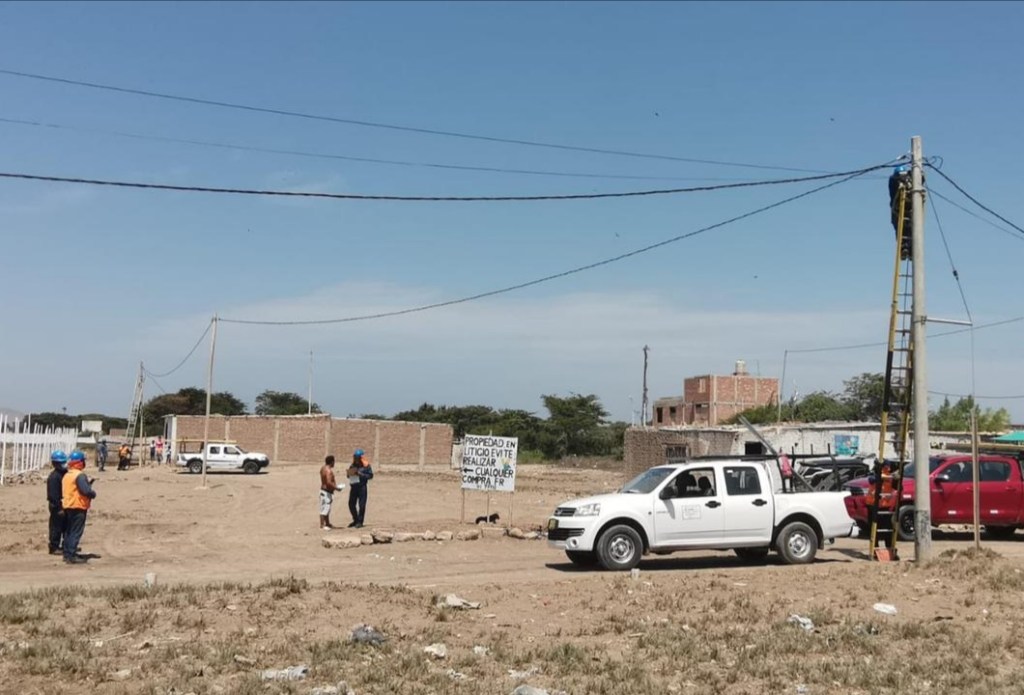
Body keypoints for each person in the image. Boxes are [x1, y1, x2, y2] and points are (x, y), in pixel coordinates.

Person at [62, 450, 97, 565]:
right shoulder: (79, 475)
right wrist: (92, 493)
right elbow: (85, 491)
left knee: (68, 531)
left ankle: (67, 553)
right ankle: (72, 555)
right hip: (78, 506)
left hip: (68, 505)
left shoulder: (67, 475)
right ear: (80, 462)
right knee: (75, 531)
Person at [46, 450, 68, 555]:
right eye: (61, 463)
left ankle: (65, 545)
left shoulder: (64, 474)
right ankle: (54, 547)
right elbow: (53, 495)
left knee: (65, 526)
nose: (63, 464)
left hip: (65, 503)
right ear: (55, 463)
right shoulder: (54, 477)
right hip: (57, 505)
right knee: (56, 527)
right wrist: (59, 507)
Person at [346, 448, 374, 528]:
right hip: (354, 487)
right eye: (355, 457)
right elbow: (349, 476)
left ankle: (360, 522)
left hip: (362, 487)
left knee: (361, 505)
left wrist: (360, 474)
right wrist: (349, 474)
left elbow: (370, 476)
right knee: (351, 504)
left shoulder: (366, 466)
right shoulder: (352, 465)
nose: (356, 459)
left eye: (357, 458)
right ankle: (355, 519)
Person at [319, 455, 346, 530]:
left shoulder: (323, 468)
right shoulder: (328, 471)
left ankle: (327, 523)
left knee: (327, 508)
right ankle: (322, 525)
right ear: (332, 462)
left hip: (325, 491)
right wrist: (336, 488)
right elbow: (328, 482)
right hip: (326, 492)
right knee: (324, 508)